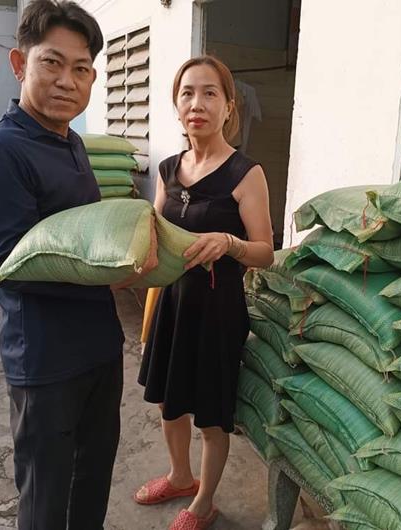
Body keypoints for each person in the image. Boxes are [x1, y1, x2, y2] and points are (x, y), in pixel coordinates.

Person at [0, 1, 155, 528]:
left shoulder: (71, 143)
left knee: (91, 481)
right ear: (19, 63)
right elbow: (11, 268)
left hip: (99, 347)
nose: (67, 80)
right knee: (47, 500)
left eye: (81, 68)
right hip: (45, 362)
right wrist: (119, 273)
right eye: (52, 62)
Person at [135, 55, 275, 530]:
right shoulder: (168, 169)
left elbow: (265, 252)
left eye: (210, 93)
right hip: (172, 303)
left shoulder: (245, 173)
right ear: (177, 106)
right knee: (166, 399)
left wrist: (231, 243)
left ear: (229, 106)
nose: (197, 104)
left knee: (211, 415)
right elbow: (155, 232)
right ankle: (180, 476)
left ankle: (204, 502)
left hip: (218, 310)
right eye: (187, 93)